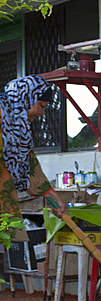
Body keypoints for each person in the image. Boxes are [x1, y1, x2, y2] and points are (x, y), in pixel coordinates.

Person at [0, 75, 68, 239]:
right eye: (41, 106)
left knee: (11, 248)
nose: (42, 113)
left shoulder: (18, 132)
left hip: (4, 200)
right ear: (26, 99)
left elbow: (29, 167)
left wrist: (56, 199)